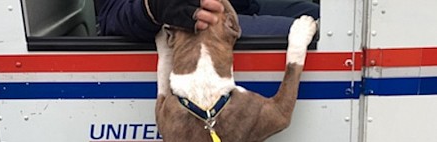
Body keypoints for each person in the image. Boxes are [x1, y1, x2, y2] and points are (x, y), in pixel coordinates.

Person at [96, 0, 319, 42]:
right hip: (190, 31)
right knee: (322, 33)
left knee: (322, 14)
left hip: (238, 6)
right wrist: (155, 6)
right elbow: (110, 18)